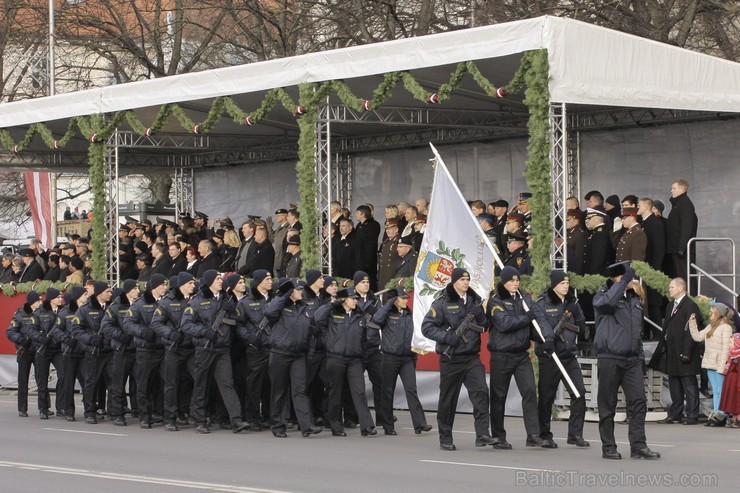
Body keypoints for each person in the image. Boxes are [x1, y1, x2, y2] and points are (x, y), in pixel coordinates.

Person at [421, 268, 495, 451]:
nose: (466, 282)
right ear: (454, 282)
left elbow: (484, 326)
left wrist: (481, 316)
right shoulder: (442, 303)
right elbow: (427, 327)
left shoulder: (474, 301)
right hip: (451, 359)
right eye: (462, 279)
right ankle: (445, 437)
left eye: (467, 279)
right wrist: (447, 338)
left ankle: (482, 434)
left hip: (471, 357)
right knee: (448, 399)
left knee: (481, 392)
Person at [593, 262, 660, 460]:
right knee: (608, 405)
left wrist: (640, 357)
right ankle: (609, 447)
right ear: (621, 278)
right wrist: (623, 283)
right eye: (630, 277)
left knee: (639, 402)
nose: (634, 281)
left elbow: (636, 332)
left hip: (632, 360)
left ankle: (638, 446)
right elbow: (606, 305)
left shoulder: (634, 300)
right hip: (610, 358)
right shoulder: (602, 295)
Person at [487, 266, 550, 449]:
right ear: (504, 282)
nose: (515, 284)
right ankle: (498, 436)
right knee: (498, 397)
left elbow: (535, 323)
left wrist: (543, 338)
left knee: (530, 391)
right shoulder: (495, 301)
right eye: (511, 281)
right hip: (501, 355)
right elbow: (505, 324)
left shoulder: (525, 299)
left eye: (517, 281)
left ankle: (533, 434)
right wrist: (527, 317)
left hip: (521, 355)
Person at [180, 270, 250, 434]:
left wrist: (232, 310)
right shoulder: (196, 302)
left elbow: (236, 322)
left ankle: (236, 420)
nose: (221, 281)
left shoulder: (226, 299)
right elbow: (186, 325)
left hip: (222, 348)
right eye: (218, 279)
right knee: (201, 384)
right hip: (205, 348)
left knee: (227, 384)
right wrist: (204, 332)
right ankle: (200, 420)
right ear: (210, 281)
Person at [263, 278, 323, 438]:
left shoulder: (304, 308)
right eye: (297, 289)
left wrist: (309, 353)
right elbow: (268, 312)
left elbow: (310, 333)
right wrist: (284, 295)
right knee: (279, 391)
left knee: (300, 390)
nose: (301, 292)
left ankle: (306, 425)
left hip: (299, 355)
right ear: (290, 293)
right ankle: (278, 425)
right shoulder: (279, 306)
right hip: (280, 354)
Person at [535, 271, 589, 448]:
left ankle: (575, 434)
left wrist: (577, 313)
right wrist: (548, 341)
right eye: (562, 283)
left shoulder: (573, 303)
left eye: (567, 283)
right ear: (554, 285)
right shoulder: (543, 303)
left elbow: (581, 328)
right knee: (546, 397)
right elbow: (539, 327)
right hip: (550, 357)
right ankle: (544, 434)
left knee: (579, 392)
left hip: (568, 356)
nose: (566, 286)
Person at [313, 287, 377, 437]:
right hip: (336, 358)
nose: (356, 301)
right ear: (344, 300)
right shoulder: (332, 314)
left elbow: (363, 339)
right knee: (335, 392)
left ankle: (367, 426)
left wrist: (362, 356)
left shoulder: (359, 316)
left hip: (354, 359)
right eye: (353, 298)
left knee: (359, 391)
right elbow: (317, 318)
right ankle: (336, 425)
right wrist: (332, 303)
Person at [372, 286, 431, 436]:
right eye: (402, 298)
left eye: (406, 298)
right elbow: (376, 320)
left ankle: (420, 424)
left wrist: (414, 356)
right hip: (389, 357)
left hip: (406, 358)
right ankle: (388, 425)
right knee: (387, 391)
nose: (406, 300)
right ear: (394, 300)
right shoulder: (387, 313)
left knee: (411, 389)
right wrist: (389, 304)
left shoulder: (408, 314)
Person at [650, 277, 703, 425]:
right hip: (672, 352)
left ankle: (692, 415)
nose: (669, 289)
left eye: (672, 287)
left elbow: (691, 332)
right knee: (675, 386)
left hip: (685, 353)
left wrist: (686, 352)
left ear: (680, 288)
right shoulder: (670, 306)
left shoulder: (690, 306)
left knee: (689, 385)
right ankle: (675, 414)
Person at [122, 274, 168, 428]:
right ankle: (144, 416)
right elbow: (128, 323)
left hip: (163, 349)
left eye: (165, 285)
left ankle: (160, 413)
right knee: (144, 384)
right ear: (154, 287)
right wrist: (143, 332)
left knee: (164, 383)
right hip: (146, 350)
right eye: (162, 285)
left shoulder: (166, 302)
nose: (165, 288)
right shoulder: (139, 304)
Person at [71, 281, 114, 425]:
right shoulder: (84, 310)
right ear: (99, 293)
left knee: (114, 382)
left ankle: (114, 411)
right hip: (94, 351)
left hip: (110, 351)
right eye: (107, 291)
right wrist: (91, 340)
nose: (110, 294)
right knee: (91, 382)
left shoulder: (112, 307)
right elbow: (76, 329)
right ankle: (89, 412)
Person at [235, 269, 274, 429]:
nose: (270, 282)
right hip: (256, 349)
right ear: (258, 282)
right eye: (267, 279)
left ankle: (268, 415)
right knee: (254, 385)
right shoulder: (245, 302)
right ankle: (252, 417)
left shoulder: (274, 300)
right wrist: (250, 339)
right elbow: (239, 325)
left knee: (270, 384)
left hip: (272, 347)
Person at [100, 280, 140, 426]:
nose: (138, 291)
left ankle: (140, 411)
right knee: (118, 384)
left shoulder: (139, 305)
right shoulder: (115, 307)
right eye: (135, 288)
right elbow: (106, 326)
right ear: (127, 291)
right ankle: (117, 413)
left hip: (137, 349)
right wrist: (120, 337)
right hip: (122, 350)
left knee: (140, 382)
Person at [688, 303, 733, 427]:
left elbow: (726, 348)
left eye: (712, 311)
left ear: (718, 313)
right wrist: (692, 323)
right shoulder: (710, 326)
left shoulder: (726, 327)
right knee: (715, 390)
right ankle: (716, 415)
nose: (709, 313)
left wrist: (722, 366)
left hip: (719, 364)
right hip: (710, 362)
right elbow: (697, 337)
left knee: (720, 390)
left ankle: (720, 416)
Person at [51, 287, 87, 421]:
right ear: (77, 297)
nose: (86, 297)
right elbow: (56, 330)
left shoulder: (87, 310)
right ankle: (68, 411)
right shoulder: (65, 312)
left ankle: (89, 410)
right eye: (84, 294)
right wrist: (66, 339)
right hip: (70, 352)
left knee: (88, 381)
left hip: (84, 352)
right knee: (68, 382)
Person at [30, 287, 66, 419]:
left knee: (63, 376)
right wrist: (41, 339)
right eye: (58, 297)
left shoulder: (63, 312)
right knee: (42, 380)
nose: (61, 299)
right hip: (43, 349)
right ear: (51, 299)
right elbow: (31, 330)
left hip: (58, 350)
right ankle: (43, 408)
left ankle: (61, 406)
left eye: (61, 297)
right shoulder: (39, 312)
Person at [6, 291, 43, 417]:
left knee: (41, 380)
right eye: (38, 301)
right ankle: (22, 408)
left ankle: (44, 408)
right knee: (23, 380)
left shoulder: (41, 313)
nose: (41, 303)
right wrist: (22, 341)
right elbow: (11, 332)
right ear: (32, 303)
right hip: (25, 350)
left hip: (39, 350)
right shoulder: (20, 314)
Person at [666, 179, 698, 282]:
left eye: (674, 188)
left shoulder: (685, 203)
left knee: (685, 277)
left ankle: (690, 297)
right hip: (675, 248)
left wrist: (682, 247)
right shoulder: (677, 204)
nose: (671, 190)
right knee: (679, 277)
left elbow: (686, 226)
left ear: (682, 189)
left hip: (681, 250)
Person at [719, 333, 740, 428]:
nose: (729, 344)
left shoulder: (737, 356)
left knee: (737, 401)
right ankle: (735, 418)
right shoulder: (732, 355)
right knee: (733, 401)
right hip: (731, 382)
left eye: (731, 342)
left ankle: (738, 420)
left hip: (737, 382)